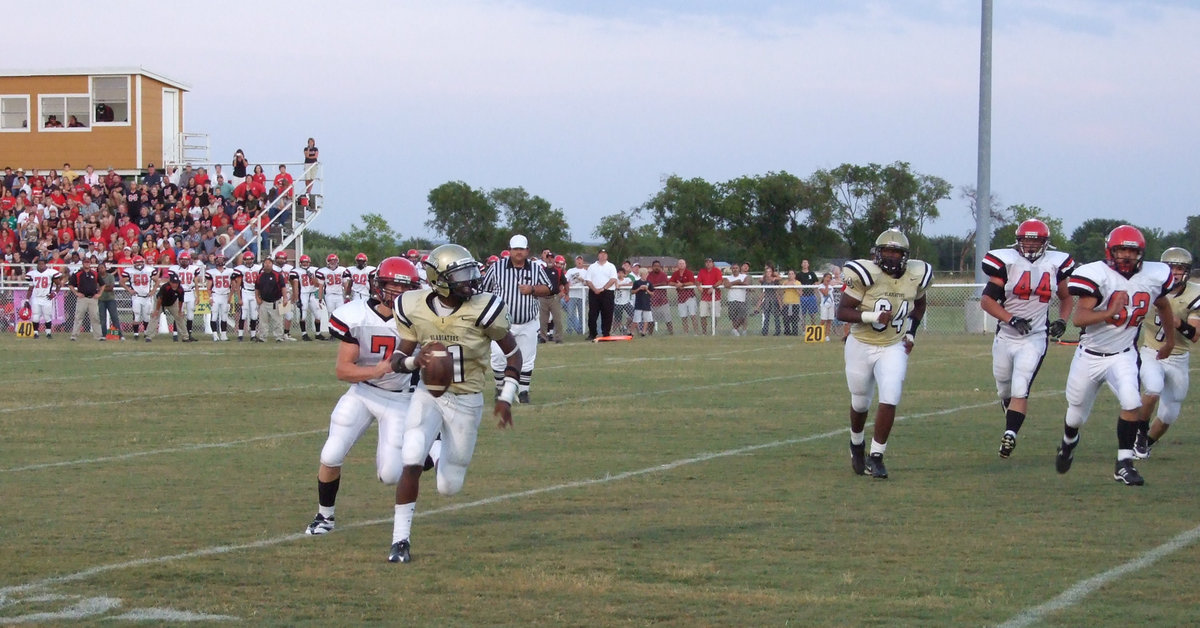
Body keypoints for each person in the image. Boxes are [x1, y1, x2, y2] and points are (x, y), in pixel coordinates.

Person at [385, 243, 523, 564]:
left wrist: (505, 398)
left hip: (467, 398)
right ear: (439, 279)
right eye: (461, 274)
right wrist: (414, 362)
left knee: (449, 486)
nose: (470, 280)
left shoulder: (484, 307)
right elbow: (398, 359)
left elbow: (514, 354)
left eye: (470, 271)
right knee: (410, 459)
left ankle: (436, 450)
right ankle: (400, 541)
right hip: (429, 393)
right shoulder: (412, 305)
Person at [304, 257, 427, 536]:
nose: (397, 293)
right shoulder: (355, 314)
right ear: (379, 285)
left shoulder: (420, 320)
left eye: (404, 288)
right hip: (362, 393)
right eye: (393, 286)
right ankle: (325, 517)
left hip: (399, 399)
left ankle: (428, 449)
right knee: (331, 453)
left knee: (389, 475)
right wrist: (376, 370)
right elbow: (343, 370)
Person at [1056, 225, 1174, 486]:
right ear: (1110, 251)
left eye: (1131, 251)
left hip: (1123, 354)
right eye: (1121, 250)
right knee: (1075, 415)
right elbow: (1080, 318)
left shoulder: (1154, 276)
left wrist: (1171, 339)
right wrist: (1109, 313)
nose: (1126, 256)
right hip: (1089, 355)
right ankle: (1068, 442)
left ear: (1140, 253)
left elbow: (1163, 305)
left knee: (1132, 403)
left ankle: (1123, 464)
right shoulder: (1096, 275)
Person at [837, 228, 932, 479]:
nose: (891, 256)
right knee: (860, 401)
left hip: (893, 344)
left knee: (890, 395)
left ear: (905, 255)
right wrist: (871, 316)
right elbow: (842, 311)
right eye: (887, 251)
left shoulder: (915, 275)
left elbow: (920, 303)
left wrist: (911, 332)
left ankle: (877, 455)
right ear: (877, 254)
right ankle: (856, 442)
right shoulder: (865, 274)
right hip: (861, 342)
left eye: (896, 252)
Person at [979, 219, 1076, 458]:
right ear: (1018, 240)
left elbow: (1066, 297)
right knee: (1004, 389)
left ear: (1045, 243)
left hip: (1035, 336)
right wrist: (1011, 319)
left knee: (1020, 386)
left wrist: (1062, 320)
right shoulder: (1007, 262)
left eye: (1036, 240)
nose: (1031, 245)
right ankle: (1011, 420)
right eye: (1027, 240)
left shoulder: (1054, 265)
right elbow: (986, 300)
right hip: (1006, 335)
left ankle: (1010, 434)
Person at [1135, 247, 1200, 458]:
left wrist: (1174, 320)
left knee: (1169, 414)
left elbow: (1195, 335)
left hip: (1178, 357)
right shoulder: (1149, 286)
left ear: (1187, 271)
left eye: (1180, 268)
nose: (1175, 272)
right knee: (1152, 388)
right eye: (1171, 267)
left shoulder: (1194, 294)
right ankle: (1139, 436)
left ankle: (1145, 443)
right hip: (1152, 351)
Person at [482, 234, 553, 403]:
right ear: (509, 251)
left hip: (528, 321)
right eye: (515, 249)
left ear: (527, 251)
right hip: (501, 323)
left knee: (527, 359)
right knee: (498, 357)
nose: (518, 253)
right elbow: (483, 290)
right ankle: (500, 389)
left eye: (521, 249)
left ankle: (523, 392)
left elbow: (549, 288)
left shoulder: (536, 269)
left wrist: (533, 289)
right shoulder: (496, 268)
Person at [167, 252, 204, 341]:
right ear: (179, 260)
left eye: (186, 260)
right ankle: (175, 334)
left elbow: (196, 283)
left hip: (190, 293)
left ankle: (188, 334)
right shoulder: (174, 269)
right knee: (178, 314)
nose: (184, 261)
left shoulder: (193, 269)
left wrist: (197, 296)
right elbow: (171, 282)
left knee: (190, 315)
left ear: (189, 260)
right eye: (182, 260)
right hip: (179, 293)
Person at [24, 256, 61, 339]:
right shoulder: (33, 274)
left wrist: (54, 293)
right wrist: (27, 299)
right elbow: (30, 289)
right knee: (35, 316)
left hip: (46, 297)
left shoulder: (50, 273)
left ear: (45, 264)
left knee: (47, 316)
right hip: (36, 297)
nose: (41, 265)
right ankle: (36, 333)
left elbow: (59, 285)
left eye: (42, 264)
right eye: (39, 264)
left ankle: (48, 333)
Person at [585, 248, 618, 340]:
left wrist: (603, 288)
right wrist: (595, 289)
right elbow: (588, 280)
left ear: (607, 256)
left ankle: (606, 333)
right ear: (598, 255)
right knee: (592, 314)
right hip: (594, 293)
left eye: (604, 254)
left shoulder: (611, 266)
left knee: (607, 314)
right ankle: (592, 333)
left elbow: (613, 279)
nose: (603, 255)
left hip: (607, 293)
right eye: (601, 254)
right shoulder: (592, 267)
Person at [121, 255, 157, 340]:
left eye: (140, 262)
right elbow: (121, 282)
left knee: (146, 316)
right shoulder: (129, 271)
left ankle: (146, 333)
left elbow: (157, 280)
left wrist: (153, 291)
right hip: (136, 296)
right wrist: (129, 290)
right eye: (137, 262)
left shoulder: (149, 270)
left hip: (146, 296)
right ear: (134, 263)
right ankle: (136, 334)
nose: (139, 264)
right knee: (136, 315)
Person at [292, 254, 327, 340]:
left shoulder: (314, 270)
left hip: (312, 294)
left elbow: (317, 284)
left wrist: (312, 276)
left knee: (318, 315)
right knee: (303, 315)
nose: (305, 264)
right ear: (300, 263)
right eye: (303, 262)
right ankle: (304, 334)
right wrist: (296, 298)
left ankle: (318, 334)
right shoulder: (296, 271)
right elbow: (295, 285)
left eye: (307, 262)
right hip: (303, 294)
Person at [255, 256, 289, 342]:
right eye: (265, 263)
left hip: (276, 301)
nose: (267, 265)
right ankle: (263, 337)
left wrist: (285, 298)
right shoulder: (260, 276)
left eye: (269, 263)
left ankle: (279, 337)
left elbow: (283, 287)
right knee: (263, 321)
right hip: (264, 301)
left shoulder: (278, 275)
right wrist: (257, 298)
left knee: (278, 320)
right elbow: (257, 288)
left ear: (272, 264)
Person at [68, 257, 104, 341]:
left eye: (88, 262)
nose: (87, 264)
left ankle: (98, 336)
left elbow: (102, 284)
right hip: (82, 298)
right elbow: (70, 284)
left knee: (95, 317)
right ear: (83, 263)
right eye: (85, 262)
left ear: (90, 264)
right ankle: (74, 335)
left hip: (93, 298)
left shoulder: (95, 274)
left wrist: (99, 294)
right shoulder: (78, 274)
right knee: (78, 317)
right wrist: (76, 293)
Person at [232, 251, 262, 340]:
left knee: (254, 315)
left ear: (253, 259)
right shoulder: (240, 269)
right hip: (245, 292)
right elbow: (237, 283)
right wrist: (239, 298)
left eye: (250, 259)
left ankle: (253, 335)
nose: (248, 261)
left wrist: (260, 294)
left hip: (254, 293)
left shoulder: (258, 268)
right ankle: (240, 335)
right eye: (246, 260)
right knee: (243, 314)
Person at [207, 254, 236, 341]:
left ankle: (223, 335)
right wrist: (210, 298)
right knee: (214, 316)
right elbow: (208, 287)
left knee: (224, 316)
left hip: (225, 295)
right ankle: (215, 335)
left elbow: (233, 285)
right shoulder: (212, 272)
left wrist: (230, 297)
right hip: (215, 295)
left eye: (221, 259)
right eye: (218, 259)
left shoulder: (230, 271)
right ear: (215, 261)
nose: (220, 261)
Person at [538, 253, 566, 343]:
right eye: (548, 258)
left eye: (551, 258)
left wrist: (565, 293)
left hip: (554, 297)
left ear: (554, 260)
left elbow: (565, 282)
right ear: (545, 260)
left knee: (557, 319)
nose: (550, 260)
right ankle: (543, 337)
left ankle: (558, 337)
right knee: (543, 320)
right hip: (543, 297)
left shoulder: (558, 271)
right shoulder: (541, 270)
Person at [149, 276, 186, 342]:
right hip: (160, 303)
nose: (175, 285)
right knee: (154, 316)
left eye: (176, 283)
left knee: (180, 317)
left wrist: (180, 311)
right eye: (173, 283)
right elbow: (160, 299)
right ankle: (149, 336)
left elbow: (181, 301)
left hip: (173, 303)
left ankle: (185, 337)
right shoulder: (165, 287)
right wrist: (157, 310)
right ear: (170, 282)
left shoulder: (180, 289)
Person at [669, 259, 698, 335]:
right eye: (679, 263)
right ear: (677, 265)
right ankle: (686, 332)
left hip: (690, 297)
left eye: (682, 263)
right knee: (683, 317)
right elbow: (670, 282)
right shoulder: (675, 274)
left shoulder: (689, 273)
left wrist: (682, 284)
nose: (681, 265)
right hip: (681, 298)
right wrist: (676, 284)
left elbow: (691, 282)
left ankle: (696, 332)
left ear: (685, 264)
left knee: (693, 315)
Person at [96, 259, 122, 340]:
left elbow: (111, 287)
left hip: (110, 299)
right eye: (99, 268)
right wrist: (104, 287)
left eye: (102, 268)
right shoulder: (97, 277)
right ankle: (104, 335)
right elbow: (96, 287)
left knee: (114, 317)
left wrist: (102, 288)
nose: (101, 269)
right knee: (102, 318)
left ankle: (119, 335)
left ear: (105, 268)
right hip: (101, 300)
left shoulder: (110, 276)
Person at [696, 257, 723, 335]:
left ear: (713, 263)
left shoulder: (717, 270)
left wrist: (713, 287)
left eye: (710, 262)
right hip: (704, 297)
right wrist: (698, 286)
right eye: (706, 262)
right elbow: (697, 281)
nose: (708, 263)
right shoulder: (702, 271)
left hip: (715, 297)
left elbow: (720, 281)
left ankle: (713, 331)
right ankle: (704, 332)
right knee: (703, 315)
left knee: (714, 316)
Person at [646, 259, 672, 335]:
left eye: (658, 266)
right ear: (652, 267)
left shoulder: (663, 275)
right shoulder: (649, 275)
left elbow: (664, 283)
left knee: (668, 319)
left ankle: (671, 333)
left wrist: (654, 285)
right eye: (655, 266)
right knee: (651, 320)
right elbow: (648, 285)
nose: (656, 267)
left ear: (660, 267)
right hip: (652, 302)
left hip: (663, 301)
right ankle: (650, 334)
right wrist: (655, 285)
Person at [564, 255, 587, 336]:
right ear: (575, 261)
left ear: (583, 261)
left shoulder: (586, 272)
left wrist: (582, 280)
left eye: (580, 260)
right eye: (577, 260)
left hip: (582, 296)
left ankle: (581, 330)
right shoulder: (571, 270)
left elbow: (587, 283)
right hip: (572, 295)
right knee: (570, 313)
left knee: (582, 314)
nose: (579, 261)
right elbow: (565, 280)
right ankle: (569, 330)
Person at [726, 262, 750, 336]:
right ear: (731, 269)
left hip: (741, 300)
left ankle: (735, 329)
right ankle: (736, 331)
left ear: (739, 269)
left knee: (742, 316)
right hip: (731, 299)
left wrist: (733, 283)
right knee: (733, 317)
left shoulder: (744, 276)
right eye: (733, 268)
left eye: (736, 268)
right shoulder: (728, 278)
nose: (735, 269)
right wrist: (737, 282)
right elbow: (726, 285)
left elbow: (746, 284)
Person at [758, 264, 782, 336]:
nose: (768, 273)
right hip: (767, 299)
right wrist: (758, 305)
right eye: (767, 272)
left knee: (776, 316)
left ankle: (777, 331)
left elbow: (777, 292)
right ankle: (765, 331)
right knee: (766, 316)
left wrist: (780, 304)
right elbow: (763, 292)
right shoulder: (764, 281)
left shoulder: (774, 280)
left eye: (770, 272)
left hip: (774, 299)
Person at [613, 261, 635, 335]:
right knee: (617, 319)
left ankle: (626, 327)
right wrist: (617, 285)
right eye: (619, 273)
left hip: (626, 302)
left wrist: (621, 285)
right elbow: (615, 285)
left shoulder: (627, 279)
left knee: (633, 315)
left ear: (624, 274)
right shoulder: (615, 280)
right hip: (618, 302)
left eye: (622, 273)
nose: (620, 274)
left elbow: (631, 284)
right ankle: (617, 330)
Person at [631, 267, 653, 336]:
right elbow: (632, 291)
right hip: (639, 303)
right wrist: (639, 288)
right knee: (636, 319)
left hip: (646, 303)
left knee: (646, 319)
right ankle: (631, 332)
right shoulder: (637, 283)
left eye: (646, 274)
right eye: (644, 274)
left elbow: (652, 293)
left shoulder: (649, 283)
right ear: (641, 274)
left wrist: (647, 290)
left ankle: (643, 332)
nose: (646, 275)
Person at [798, 259, 819, 327]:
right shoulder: (799, 274)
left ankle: (813, 327)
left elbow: (816, 282)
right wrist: (800, 292)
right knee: (802, 314)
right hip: (802, 296)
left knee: (812, 314)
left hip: (811, 296)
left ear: (808, 264)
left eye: (806, 263)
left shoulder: (812, 274)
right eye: (803, 263)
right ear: (801, 264)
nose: (805, 264)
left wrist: (813, 288)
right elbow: (796, 284)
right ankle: (803, 329)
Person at [781, 269, 802, 336]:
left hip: (795, 302)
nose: (790, 275)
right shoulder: (785, 282)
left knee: (795, 318)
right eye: (789, 274)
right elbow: (781, 292)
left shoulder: (798, 283)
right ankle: (787, 331)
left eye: (792, 274)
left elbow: (800, 293)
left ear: (795, 275)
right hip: (786, 303)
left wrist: (794, 286)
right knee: (786, 318)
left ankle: (795, 332)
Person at [818, 272, 837, 342]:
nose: (828, 279)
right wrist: (826, 286)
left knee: (829, 320)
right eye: (827, 277)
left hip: (831, 304)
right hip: (824, 305)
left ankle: (827, 335)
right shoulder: (821, 286)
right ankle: (819, 333)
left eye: (830, 278)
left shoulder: (831, 287)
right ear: (824, 278)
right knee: (823, 320)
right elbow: (825, 294)